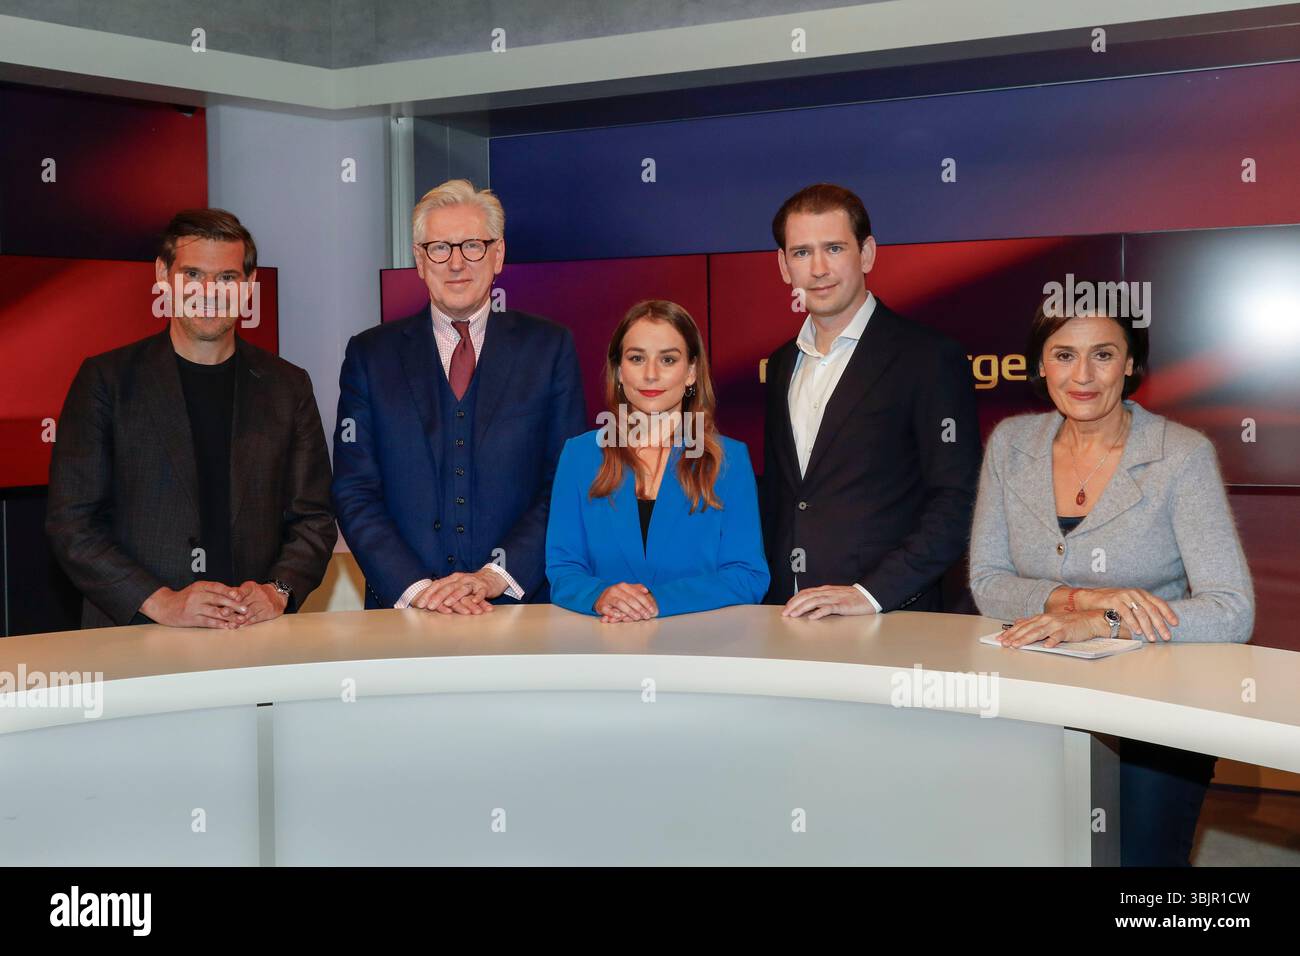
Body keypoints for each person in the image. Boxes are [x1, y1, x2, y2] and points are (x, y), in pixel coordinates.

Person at [969, 294, 1254, 866]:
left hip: (1162, 702)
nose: (1082, 376)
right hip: (1037, 695)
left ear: (1129, 365)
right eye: (1064, 355)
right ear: (1040, 364)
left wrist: (1101, 621)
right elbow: (986, 580)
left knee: (1141, 865)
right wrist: (1076, 597)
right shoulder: (1011, 445)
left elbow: (1231, 610)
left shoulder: (1181, 455)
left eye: (1102, 355)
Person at [46, 209, 337, 629]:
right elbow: (72, 524)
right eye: (194, 275)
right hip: (134, 639)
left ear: (249, 285)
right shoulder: (106, 381)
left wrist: (278, 591)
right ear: (163, 276)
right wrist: (161, 602)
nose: (210, 293)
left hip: (253, 638)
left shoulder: (287, 385)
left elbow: (314, 518)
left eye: (226, 278)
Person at [332, 179, 586, 612]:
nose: (455, 263)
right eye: (439, 248)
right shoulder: (370, 356)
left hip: (518, 612)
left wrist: (495, 577)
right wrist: (417, 590)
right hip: (403, 618)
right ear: (419, 260)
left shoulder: (548, 349)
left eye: (472, 246)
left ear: (498, 255)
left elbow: (564, 483)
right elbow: (355, 490)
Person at [760, 183, 981, 619]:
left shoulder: (928, 358)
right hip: (786, 614)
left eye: (834, 248)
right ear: (784, 266)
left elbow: (959, 499)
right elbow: (783, 497)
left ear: (866, 254)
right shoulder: (782, 363)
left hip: (892, 619)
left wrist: (872, 593)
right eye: (802, 253)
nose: (819, 268)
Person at [546, 300, 768, 620]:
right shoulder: (579, 456)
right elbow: (563, 569)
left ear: (691, 372)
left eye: (667, 359)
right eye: (637, 358)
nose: (651, 374)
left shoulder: (729, 460)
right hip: (603, 650)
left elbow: (748, 575)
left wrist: (656, 601)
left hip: (701, 652)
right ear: (619, 371)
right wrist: (598, 595)